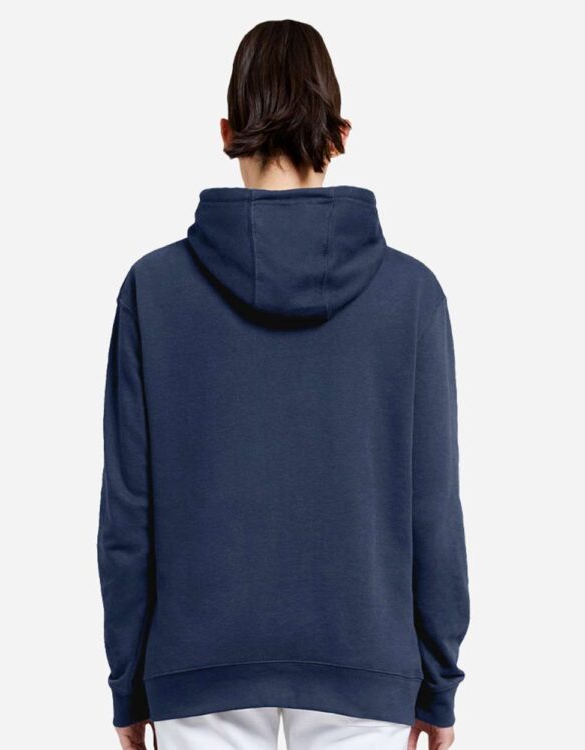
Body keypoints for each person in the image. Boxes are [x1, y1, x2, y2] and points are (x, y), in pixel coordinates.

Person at [96, 18, 470, 750]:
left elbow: (127, 515)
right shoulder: (412, 296)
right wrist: (438, 685)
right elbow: (434, 510)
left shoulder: (153, 290)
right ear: (341, 135)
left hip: (198, 675)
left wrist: (128, 685)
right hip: (366, 671)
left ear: (227, 131)